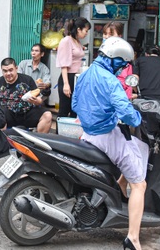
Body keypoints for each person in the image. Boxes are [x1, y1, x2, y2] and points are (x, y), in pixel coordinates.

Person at [72, 37, 147, 250]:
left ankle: (120, 184)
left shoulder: (85, 73)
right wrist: (138, 119)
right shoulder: (110, 81)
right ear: (114, 60)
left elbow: (76, 103)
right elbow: (126, 111)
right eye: (122, 64)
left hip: (87, 134)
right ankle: (133, 238)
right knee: (140, 184)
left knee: (130, 164)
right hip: (107, 137)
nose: (123, 68)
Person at [0, 58, 53, 133]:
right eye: (5, 71)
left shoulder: (27, 80)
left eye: (11, 70)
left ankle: (38, 142)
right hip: (8, 116)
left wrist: (37, 101)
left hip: (27, 114)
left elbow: (39, 98)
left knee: (47, 115)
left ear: (16, 68)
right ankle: (2, 142)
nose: (8, 73)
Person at [56, 17, 91, 118]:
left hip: (77, 78)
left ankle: (71, 133)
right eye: (86, 30)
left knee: (75, 109)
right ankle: (60, 133)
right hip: (68, 77)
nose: (86, 33)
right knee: (64, 109)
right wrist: (66, 84)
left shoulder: (77, 41)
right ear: (79, 29)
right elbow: (64, 65)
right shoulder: (66, 41)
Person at [103, 21, 134, 99]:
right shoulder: (103, 52)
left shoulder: (123, 54)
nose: (106, 37)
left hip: (119, 94)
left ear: (120, 36)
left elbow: (125, 79)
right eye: (105, 34)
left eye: (111, 34)